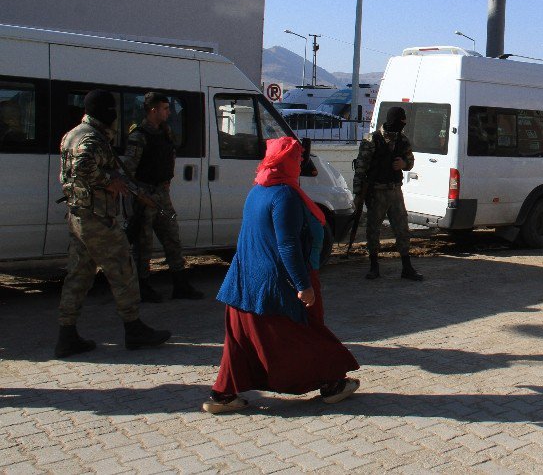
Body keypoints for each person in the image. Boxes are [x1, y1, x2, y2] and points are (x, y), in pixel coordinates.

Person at [204, 137, 360, 413]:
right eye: (297, 157)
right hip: (273, 286)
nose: (301, 162)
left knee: (240, 343)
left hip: (242, 283)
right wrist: (303, 285)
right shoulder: (284, 196)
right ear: (285, 161)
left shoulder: (259, 190)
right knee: (304, 334)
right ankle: (333, 383)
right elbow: (286, 245)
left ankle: (223, 395)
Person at [54, 89, 171, 358]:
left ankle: (67, 334)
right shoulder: (92, 139)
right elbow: (84, 166)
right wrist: (110, 182)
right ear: (106, 113)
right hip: (97, 218)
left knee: (78, 276)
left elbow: (70, 173)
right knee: (123, 270)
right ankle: (134, 328)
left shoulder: (71, 135)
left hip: (78, 215)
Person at [123, 92, 203, 302]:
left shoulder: (165, 132)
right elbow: (128, 172)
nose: (169, 112)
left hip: (161, 194)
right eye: (165, 108)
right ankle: (142, 285)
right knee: (143, 244)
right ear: (153, 110)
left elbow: (169, 157)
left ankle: (180, 283)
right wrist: (139, 196)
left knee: (172, 238)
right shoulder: (138, 136)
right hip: (145, 195)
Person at [353, 107, 422, 281]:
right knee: (373, 230)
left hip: (395, 191)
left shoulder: (402, 140)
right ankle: (374, 266)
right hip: (377, 191)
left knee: (402, 229)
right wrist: (357, 194)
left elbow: (411, 162)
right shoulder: (372, 140)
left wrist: (404, 163)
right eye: (401, 121)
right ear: (393, 120)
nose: (403, 125)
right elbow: (361, 169)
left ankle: (407, 267)